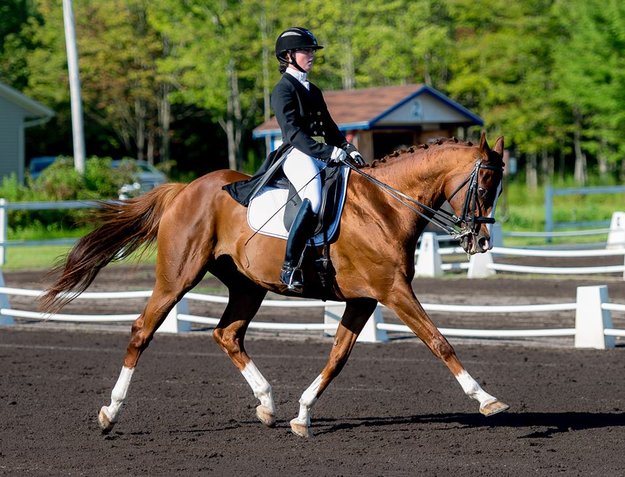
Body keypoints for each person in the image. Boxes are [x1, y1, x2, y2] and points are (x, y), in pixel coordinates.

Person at [225, 27, 365, 292]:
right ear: (289, 55)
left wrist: (347, 149)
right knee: (313, 199)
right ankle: (290, 267)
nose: (311, 55)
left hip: (320, 152)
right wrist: (328, 152)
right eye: (306, 50)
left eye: (312, 50)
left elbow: (330, 128)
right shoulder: (283, 90)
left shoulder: (313, 89)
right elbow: (294, 134)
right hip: (297, 154)